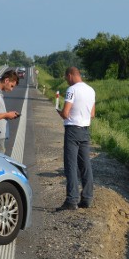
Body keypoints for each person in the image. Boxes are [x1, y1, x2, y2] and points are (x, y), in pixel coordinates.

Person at [57, 66, 96, 210]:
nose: (66, 81)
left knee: (71, 165)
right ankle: (87, 197)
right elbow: (92, 114)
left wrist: (60, 112)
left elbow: (66, 113)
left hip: (72, 130)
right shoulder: (91, 90)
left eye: (66, 78)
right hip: (85, 130)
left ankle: (72, 200)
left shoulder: (71, 90)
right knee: (85, 165)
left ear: (70, 75)